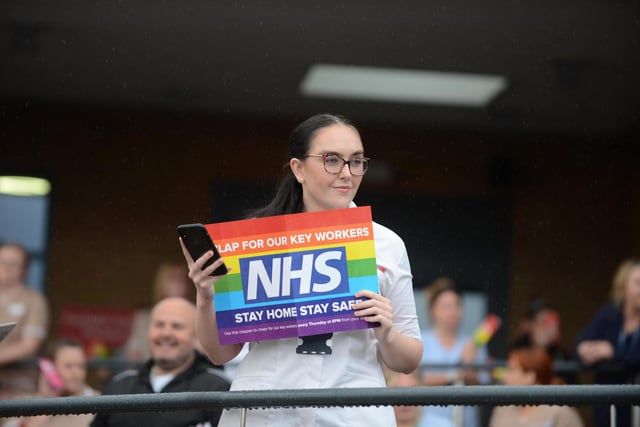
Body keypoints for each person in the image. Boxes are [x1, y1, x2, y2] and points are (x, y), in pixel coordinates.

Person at [180, 113, 423, 426]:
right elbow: (221, 354)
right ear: (298, 168)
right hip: (265, 412)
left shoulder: (386, 243)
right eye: (331, 160)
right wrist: (205, 295)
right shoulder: (254, 239)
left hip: (351, 413)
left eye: (357, 161)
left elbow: (409, 360)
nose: (347, 173)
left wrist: (385, 331)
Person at [90, 297, 230, 427]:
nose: (166, 333)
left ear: (196, 337)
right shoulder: (119, 386)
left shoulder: (217, 388)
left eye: (177, 326)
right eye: (159, 325)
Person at [575, 257, 640, 427]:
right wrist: (586, 350)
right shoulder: (609, 314)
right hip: (609, 408)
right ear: (623, 287)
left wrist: (612, 353)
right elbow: (581, 344)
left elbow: (635, 359)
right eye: (638, 283)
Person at [419, 278, 489, 427]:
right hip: (428, 421)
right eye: (446, 306)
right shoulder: (420, 342)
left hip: (466, 422)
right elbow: (415, 381)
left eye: (457, 305)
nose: (453, 312)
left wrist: (469, 371)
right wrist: (454, 375)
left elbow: (483, 387)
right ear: (433, 310)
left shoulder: (474, 344)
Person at [2, 339, 99, 427]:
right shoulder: (21, 404)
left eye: (80, 366)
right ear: (50, 368)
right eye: (68, 366)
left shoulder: (98, 401)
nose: (76, 373)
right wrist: (46, 402)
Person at [0, 242, 50, 398]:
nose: (7, 267)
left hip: (18, 386)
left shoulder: (34, 300)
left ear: (24, 268)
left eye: (13, 263)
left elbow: (30, 345)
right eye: (2, 261)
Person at [489, 347, 584, 427]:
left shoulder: (561, 411)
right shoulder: (503, 408)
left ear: (530, 376)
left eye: (512, 370)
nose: (505, 376)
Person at [122, 262, 193, 362]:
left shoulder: (196, 314)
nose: (179, 286)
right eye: (173, 280)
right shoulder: (145, 316)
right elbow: (134, 349)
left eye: (182, 281)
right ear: (161, 284)